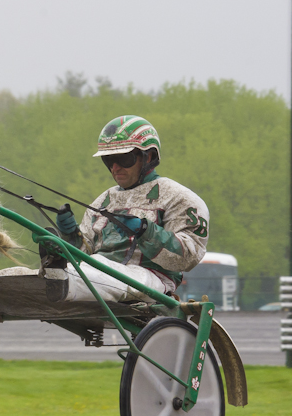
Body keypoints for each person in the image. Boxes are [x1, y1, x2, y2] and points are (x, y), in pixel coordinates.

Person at [50, 115, 209, 303]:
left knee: (92, 272)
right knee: (89, 269)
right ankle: (51, 276)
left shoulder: (180, 198)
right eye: (108, 160)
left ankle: (57, 278)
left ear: (148, 156)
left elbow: (188, 257)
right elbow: (86, 254)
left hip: (152, 280)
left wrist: (146, 231)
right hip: (99, 274)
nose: (115, 167)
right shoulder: (101, 202)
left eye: (123, 158)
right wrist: (71, 236)